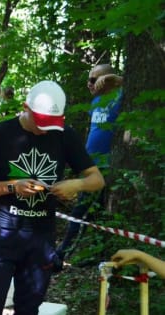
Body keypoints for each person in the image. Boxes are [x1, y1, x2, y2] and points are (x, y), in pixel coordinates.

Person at [0, 80, 105, 315]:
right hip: (2, 235)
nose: (45, 130)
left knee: (29, 308)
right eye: (41, 122)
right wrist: (14, 187)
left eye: (51, 124)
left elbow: (97, 179)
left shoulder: (65, 136)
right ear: (26, 107)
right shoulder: (1, 133)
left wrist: (76, 184)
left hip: (40, 237)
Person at [56, 64, 123, 262]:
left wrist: (115, 78)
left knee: (81, 211)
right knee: (93, 214)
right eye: (88, 79)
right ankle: (94, 253)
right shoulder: (95, 102)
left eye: (94, 79)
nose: (89, 84)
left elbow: (133, 86)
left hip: (105, 166)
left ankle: (61, 253)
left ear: (106, 79)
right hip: (90, 166)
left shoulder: (120, 97)